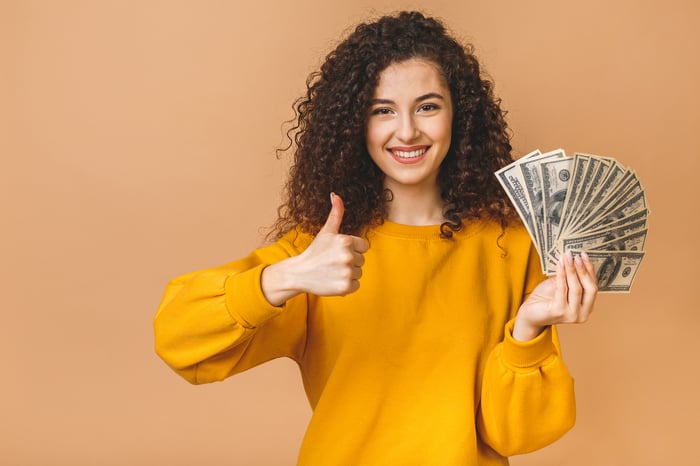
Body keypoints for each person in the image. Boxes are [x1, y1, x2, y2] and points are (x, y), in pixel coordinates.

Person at [153, 11, 598, 465]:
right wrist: (285, 277)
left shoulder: (512, 244)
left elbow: (515, 436)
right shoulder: (319, 252)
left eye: (428, 106)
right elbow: (178, 339)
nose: (406, 131)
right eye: (382, 110)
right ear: (353, 125)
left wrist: (529, 332)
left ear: (458, 114)